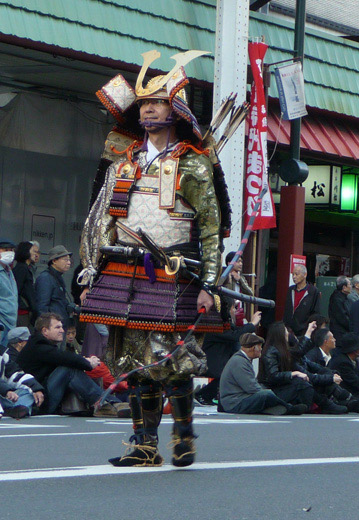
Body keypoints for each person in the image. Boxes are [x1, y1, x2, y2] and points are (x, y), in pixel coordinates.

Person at [78, 53, 228, 467]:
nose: (148, 108)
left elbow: (212, 228)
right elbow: (101, 219)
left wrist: (209, 286)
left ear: (175, 109)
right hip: (122, 271)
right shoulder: (123, 162)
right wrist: (92, 269)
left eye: (158, 101)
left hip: (174, 273)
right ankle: (143, 443)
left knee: (173, 358)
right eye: (143, 102)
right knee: (132, 360)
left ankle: (183, 436)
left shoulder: (193, 163)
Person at [17, 313, 128, 417]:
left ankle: (108, 403)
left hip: (43, 396)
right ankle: (107, 403)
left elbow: (65, 358)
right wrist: (88, 363)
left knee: (69, 368)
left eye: (61, 327)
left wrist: (85, 361)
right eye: (57, 327)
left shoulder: (41, 345)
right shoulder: (39, 346)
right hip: (37, 400)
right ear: (45, 331)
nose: (62, 330)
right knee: (68, 369)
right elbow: (66, 358)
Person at [218, 333, 304, 415]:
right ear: (253, 348)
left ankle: (271, 408)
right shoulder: (239, 361)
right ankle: (289, 408)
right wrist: (266, 393)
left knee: (266, 393)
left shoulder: (241, 360)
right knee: (266, 394)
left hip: (237, 400)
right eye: (260, 346)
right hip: (234, 404)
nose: (261, 349)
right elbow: (252, 388)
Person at [196, 299, 261, 406]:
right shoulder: (215, 324)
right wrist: (252, 324)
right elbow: (235, 335)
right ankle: (203, 395)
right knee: (225, 374)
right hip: (211, 361)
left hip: (221, 360)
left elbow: (237, 332)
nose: (235, 311)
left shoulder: (226, 324)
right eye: (233, 308)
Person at [35, 246, 77, 330]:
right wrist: (46, 327)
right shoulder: (46, 278)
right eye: (65, 260)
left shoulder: (58, 277)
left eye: (69, 260)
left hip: (60, 326)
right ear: (54, 261)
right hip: (51, 329)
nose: (68, 263)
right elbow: (42, 307)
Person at [283, 264, 321, 337]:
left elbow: (316, 313)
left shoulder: (313, 291)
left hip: (304, 332)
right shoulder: (290, 290)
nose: (294, 277)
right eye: (293, 274)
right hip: (289, 331)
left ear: (305, 275)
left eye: (296, 274)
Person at [12, 241, 39, 329]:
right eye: (33, 251)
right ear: (26, 251)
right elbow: (16, 290)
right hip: (22, 312)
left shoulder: (27, 268)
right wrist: (24, 305)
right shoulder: (21, 268)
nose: (35, 254)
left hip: (27, 311)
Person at [0, 238, 18, 348]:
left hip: (10, 321)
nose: (9, 252)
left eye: (11, 250)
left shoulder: (9, 271)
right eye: (5, 249)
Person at [328, 275, 351, 340]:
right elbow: (343, 318)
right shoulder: (337, 299)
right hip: (340, 334)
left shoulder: (344, 297)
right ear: (344, 287)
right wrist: (352, 326)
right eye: (349, 284)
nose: (351, 286)